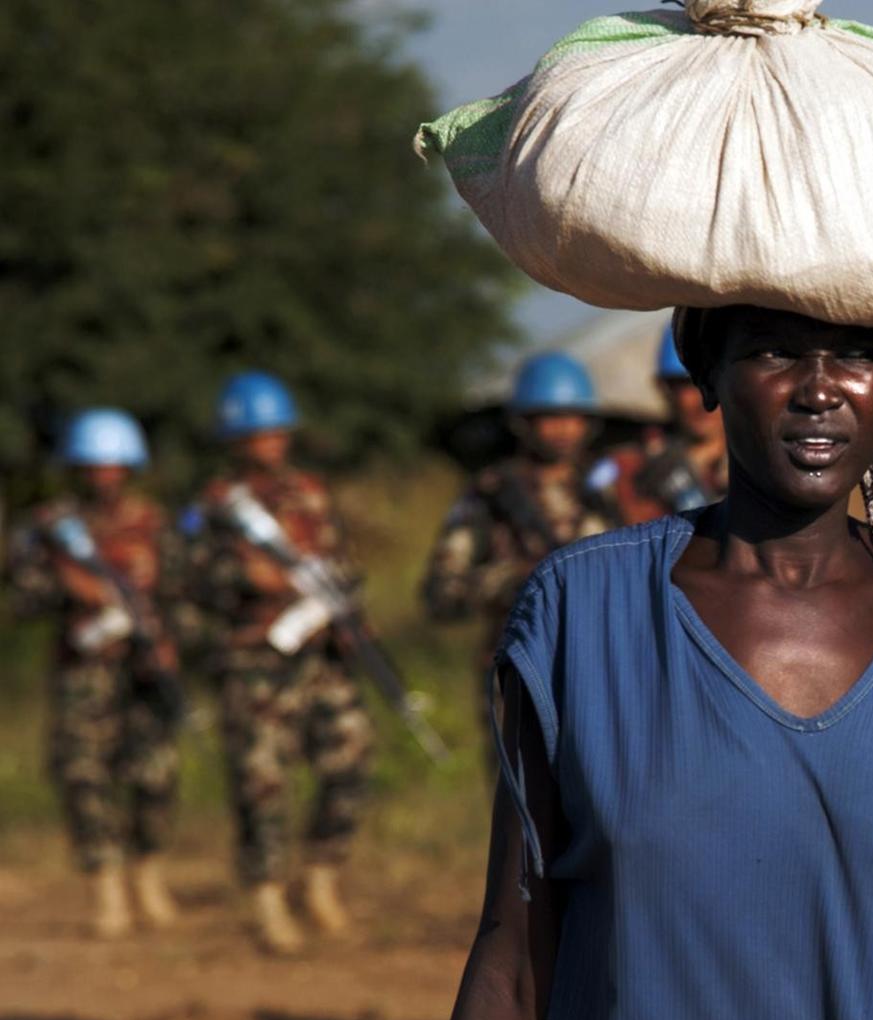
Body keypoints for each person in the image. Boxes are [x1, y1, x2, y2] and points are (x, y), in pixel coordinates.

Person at [447, 305, 873, 1020]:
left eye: (858, 354)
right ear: (709, 379)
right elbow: (513, 963)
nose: (819, 390)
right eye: (773, 352)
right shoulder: (583, 612)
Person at [185, 371, 376, 954]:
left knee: (351, 751)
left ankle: (321, 877)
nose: (269, 443)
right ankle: (267, 899)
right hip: (254, 662)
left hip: (318, 655)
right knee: (261, 782)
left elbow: (339, 562)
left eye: (276, 432)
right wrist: (242, 576)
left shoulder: (311, 494)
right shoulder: (214, 509)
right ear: (235, 441)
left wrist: (350, 615)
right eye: (255, 434)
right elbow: (187, 578)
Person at [6, 409, 186, 939]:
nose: (103, 477)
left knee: (156, 776)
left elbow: (183, 592)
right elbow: (23, 598)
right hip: (83, 673)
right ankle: (107, 889)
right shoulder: (50, 529)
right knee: (84, 778)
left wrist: (169, 640)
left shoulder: (155, 524)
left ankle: (147, 871)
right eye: (92, 467)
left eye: (113, 467)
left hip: (144, 671)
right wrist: (67, 584)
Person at [422, 351, 619, 757]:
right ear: (524, 423)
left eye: (573, 416)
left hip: (602, 675)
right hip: (520, 677)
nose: (564, 429)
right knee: (524, 809)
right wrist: (516, 580)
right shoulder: (491, 495)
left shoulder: (603, 492)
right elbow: (441, 593)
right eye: (550, 417)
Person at [598, 327, 730, 525]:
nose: (703, 399)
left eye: (711, 381)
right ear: (665, 389)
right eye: (688, 384)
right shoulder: (635, 470)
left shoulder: (761, 461)